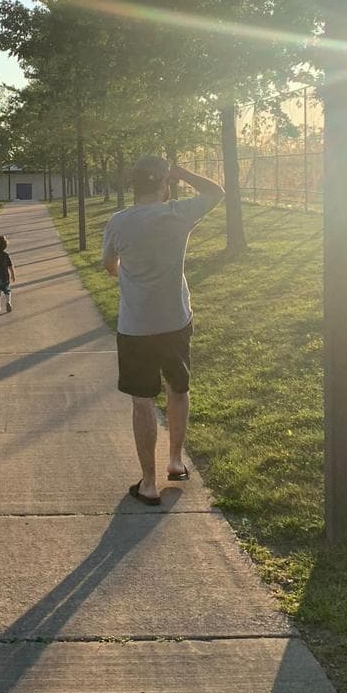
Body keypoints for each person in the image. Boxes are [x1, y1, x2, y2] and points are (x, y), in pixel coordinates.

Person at [102, 157, 224, 505]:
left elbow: (110, 265)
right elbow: (216, 192)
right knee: (178, 390)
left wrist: (126, 270)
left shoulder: (119, 222)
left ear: (133, 185)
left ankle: (149, 484)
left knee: (142, 402)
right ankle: (175, 461)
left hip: (136, 326)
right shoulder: (179, 213)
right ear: (164, 184)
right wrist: (183, 172)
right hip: (175, 321)